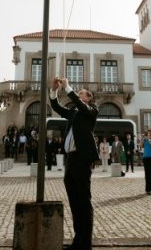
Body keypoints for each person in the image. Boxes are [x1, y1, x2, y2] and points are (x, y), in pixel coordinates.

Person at [50, 77, 98, 250]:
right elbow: (56, 107)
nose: (77, 96)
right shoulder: (74, 112)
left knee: (84, 201)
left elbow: (81, 105)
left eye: (80, 94)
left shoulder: (91, 110)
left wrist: (68, 87)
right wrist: (54, 90)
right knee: (74, 201)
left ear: (88, 98)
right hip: (70, 159)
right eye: (77, 94)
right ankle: (78, 241)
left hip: (82, 159)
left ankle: (86, 244)